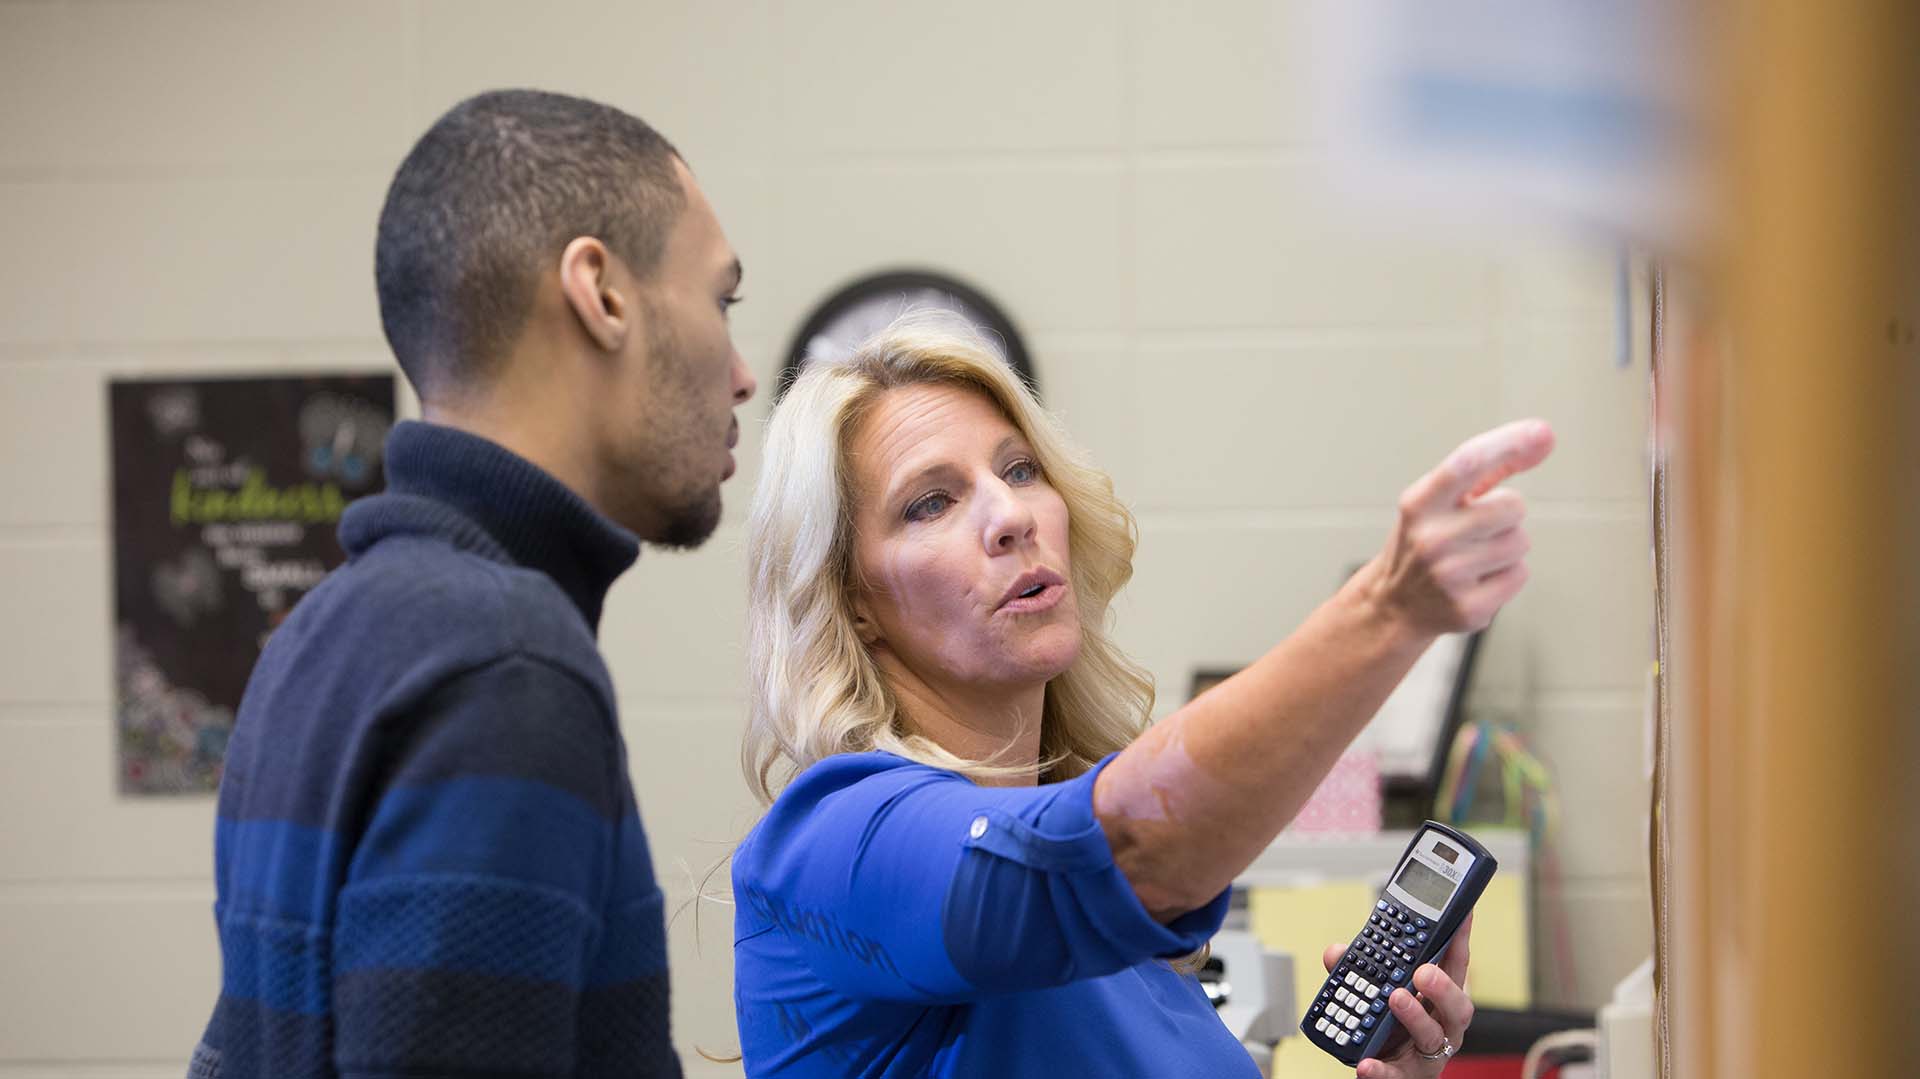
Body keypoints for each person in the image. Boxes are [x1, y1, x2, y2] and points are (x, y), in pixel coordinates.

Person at [732, 316, 1552, 1077]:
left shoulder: (1125, 943)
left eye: (1019, 469)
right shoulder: (835, 844)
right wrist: (1384, 609)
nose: (1012, 513)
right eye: (931, 502)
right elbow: (1106, 853)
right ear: (855, 604)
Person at [188, 89, 755, 1079]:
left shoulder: (321, 631)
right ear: (602, 293)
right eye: (721, 300)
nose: (743, 372)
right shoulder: (503, 662)